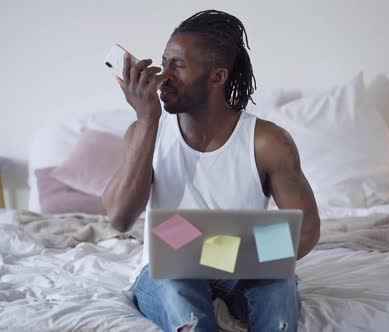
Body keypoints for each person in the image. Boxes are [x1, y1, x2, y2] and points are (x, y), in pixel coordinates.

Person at [102, 9, 320, 332]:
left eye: (177, 66)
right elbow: (119, 218)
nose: (164, 76)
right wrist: (148, 120)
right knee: (179, 294)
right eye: (164, 63)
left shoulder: (267, 142)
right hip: (167, 271)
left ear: (217, 77)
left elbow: (306, 230)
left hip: (246, 270)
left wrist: (233, 252)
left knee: (280, 289)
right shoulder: (144, 132)